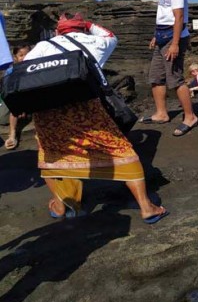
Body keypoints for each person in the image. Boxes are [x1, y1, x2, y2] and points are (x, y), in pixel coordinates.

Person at [23, 13, 168, 223]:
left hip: (48, 113)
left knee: (54, 154)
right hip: (85, 109)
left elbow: (24, 75)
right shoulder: (96, 42)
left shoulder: (43, 46)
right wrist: (88, 24)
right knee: (119, 151)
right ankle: (146, 207)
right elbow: (110, 35)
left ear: (57, 31)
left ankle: (61, 204)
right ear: (82, 29)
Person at [143, 0, 198, 137]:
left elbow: (179, 18)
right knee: (156, 76)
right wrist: (156, 36)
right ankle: (161, 113)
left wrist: (175, 44)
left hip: (172, 39)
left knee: (175, 78)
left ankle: (190, 117)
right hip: (162, 36)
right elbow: (164, 16)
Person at [4, 43, 31, 150]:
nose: (25, 58)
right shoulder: (11, 71)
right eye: (21, 55)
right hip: (18, 96)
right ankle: (12, 134)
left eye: (28, 54)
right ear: (15, 57)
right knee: (14, 109)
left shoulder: (35, 67)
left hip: (32, 96)